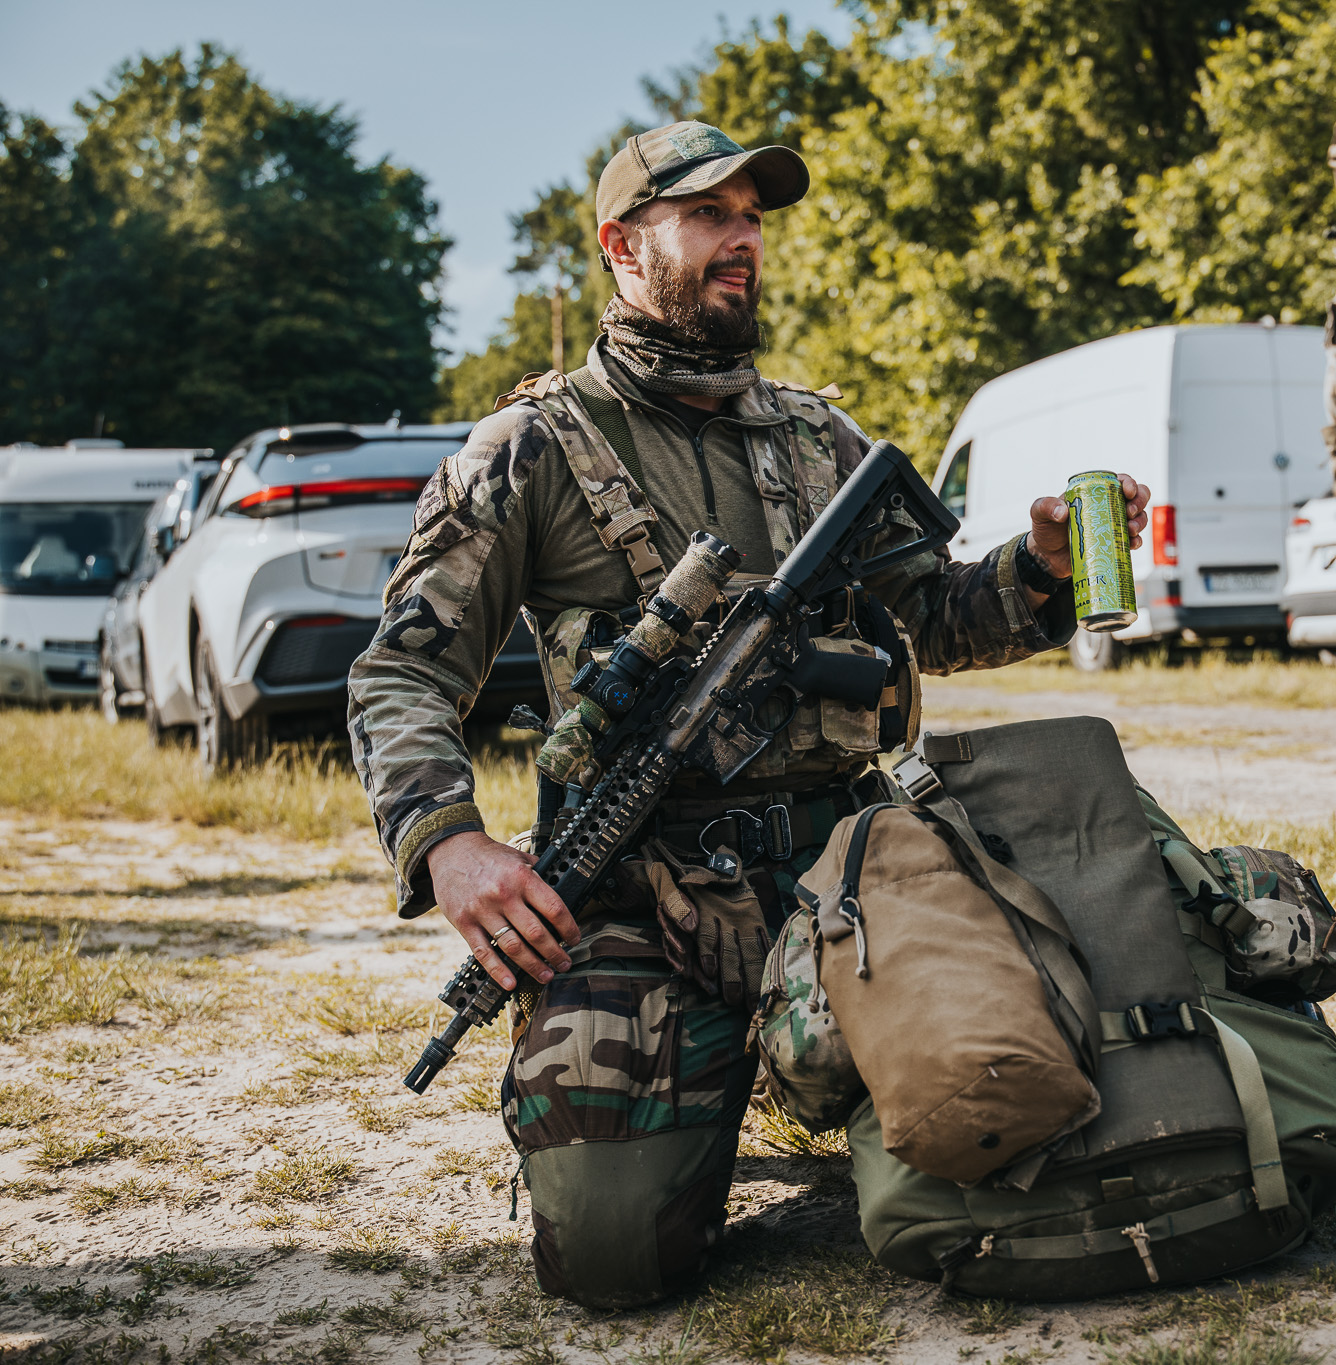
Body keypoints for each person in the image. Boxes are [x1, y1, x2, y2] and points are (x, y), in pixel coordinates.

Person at [345, 120, 1150, 1307]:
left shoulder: (817, 436)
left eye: (752, 217)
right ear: (623, 245)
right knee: (612, 1256)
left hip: (850, 877)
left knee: (1021, 1125)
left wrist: (1036, 573)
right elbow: (399, 673)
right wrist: (446, 843)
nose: (741, 242)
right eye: (707, 215)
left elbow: (926, 616)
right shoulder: (529, 447)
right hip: (647, 894)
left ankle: (823, 1059)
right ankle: (730, 1081)